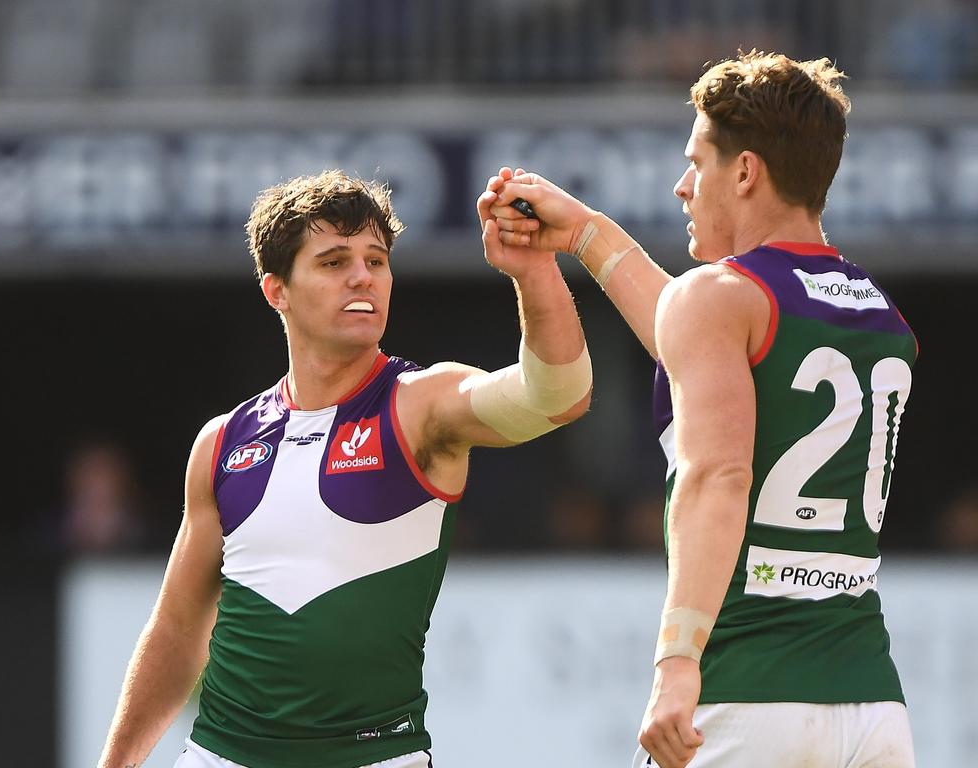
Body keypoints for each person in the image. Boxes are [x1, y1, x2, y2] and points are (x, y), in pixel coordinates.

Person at [489, 50, 917, 768]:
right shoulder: (880, 314)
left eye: (698, 162)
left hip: (745, 693)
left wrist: (675, 664)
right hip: (872, 706)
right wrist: (584, 233)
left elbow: (718, 474)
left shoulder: (718, 296)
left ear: (745, 171)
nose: (683, 186)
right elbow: (694, 337)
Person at [97, 168, 592, 768]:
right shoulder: (224, 440)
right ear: (276, 290)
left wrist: (534, 270)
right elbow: (177, 633)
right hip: (220, 757)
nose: (363, 276)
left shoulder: (421, 403)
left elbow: (558, 396)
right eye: (333, 262)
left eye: (376, 260)